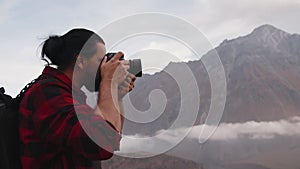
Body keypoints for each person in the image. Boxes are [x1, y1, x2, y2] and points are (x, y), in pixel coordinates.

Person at [18, 28, 135, 169]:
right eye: (100, 60)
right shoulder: (48, 94)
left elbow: (113, 136)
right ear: (81, 61)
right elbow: (101, 144)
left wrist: (116, 96)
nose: (104, 66)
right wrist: (109, 81)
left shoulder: (69, 95)